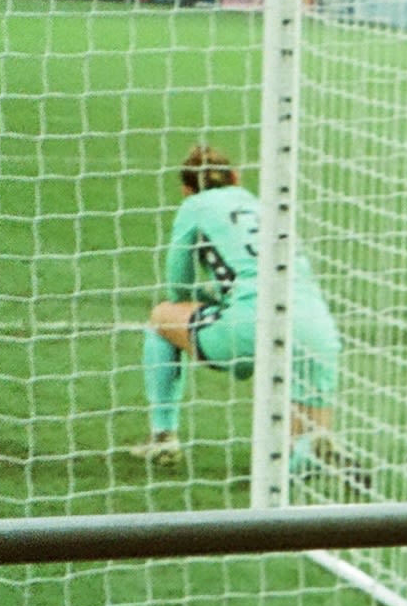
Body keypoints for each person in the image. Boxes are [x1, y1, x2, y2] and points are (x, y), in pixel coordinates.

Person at [134, 146, 352, 480]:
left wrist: (210, 295)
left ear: (186, 189)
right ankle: (310, 446)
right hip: (317, 330)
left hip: (248, 327)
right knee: (294, 454)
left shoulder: (194, 206)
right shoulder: (265, 207)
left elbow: (178, 287)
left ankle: (163, 437)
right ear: (236, 177)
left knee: (162, 317)